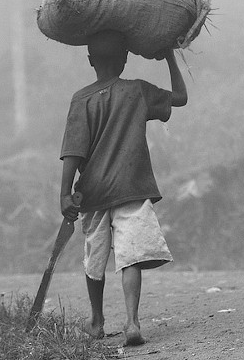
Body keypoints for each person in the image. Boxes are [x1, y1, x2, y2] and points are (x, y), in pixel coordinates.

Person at [58, 29, 187, 347]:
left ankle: (97, 321)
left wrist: (64, 194)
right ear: (126, 59)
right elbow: (180, 98)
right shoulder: (137, 92)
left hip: (94, 192)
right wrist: (169, 55)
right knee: (130, 258)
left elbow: (73, 151)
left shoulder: (82, 100)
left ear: (90, 61)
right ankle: (132, 322)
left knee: (94, 258)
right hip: (132, 187)